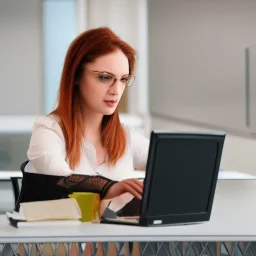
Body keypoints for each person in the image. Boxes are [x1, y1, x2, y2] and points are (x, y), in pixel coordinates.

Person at [19, 27, 149, 214]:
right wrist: (108, 187)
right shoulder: (48, 130)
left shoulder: (126, 136)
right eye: (105, 78)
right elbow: (60, 178)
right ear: (76, 76)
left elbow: (169, 164)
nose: (116, 90)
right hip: (57, 241)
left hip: (113, 241)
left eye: (123, 79)